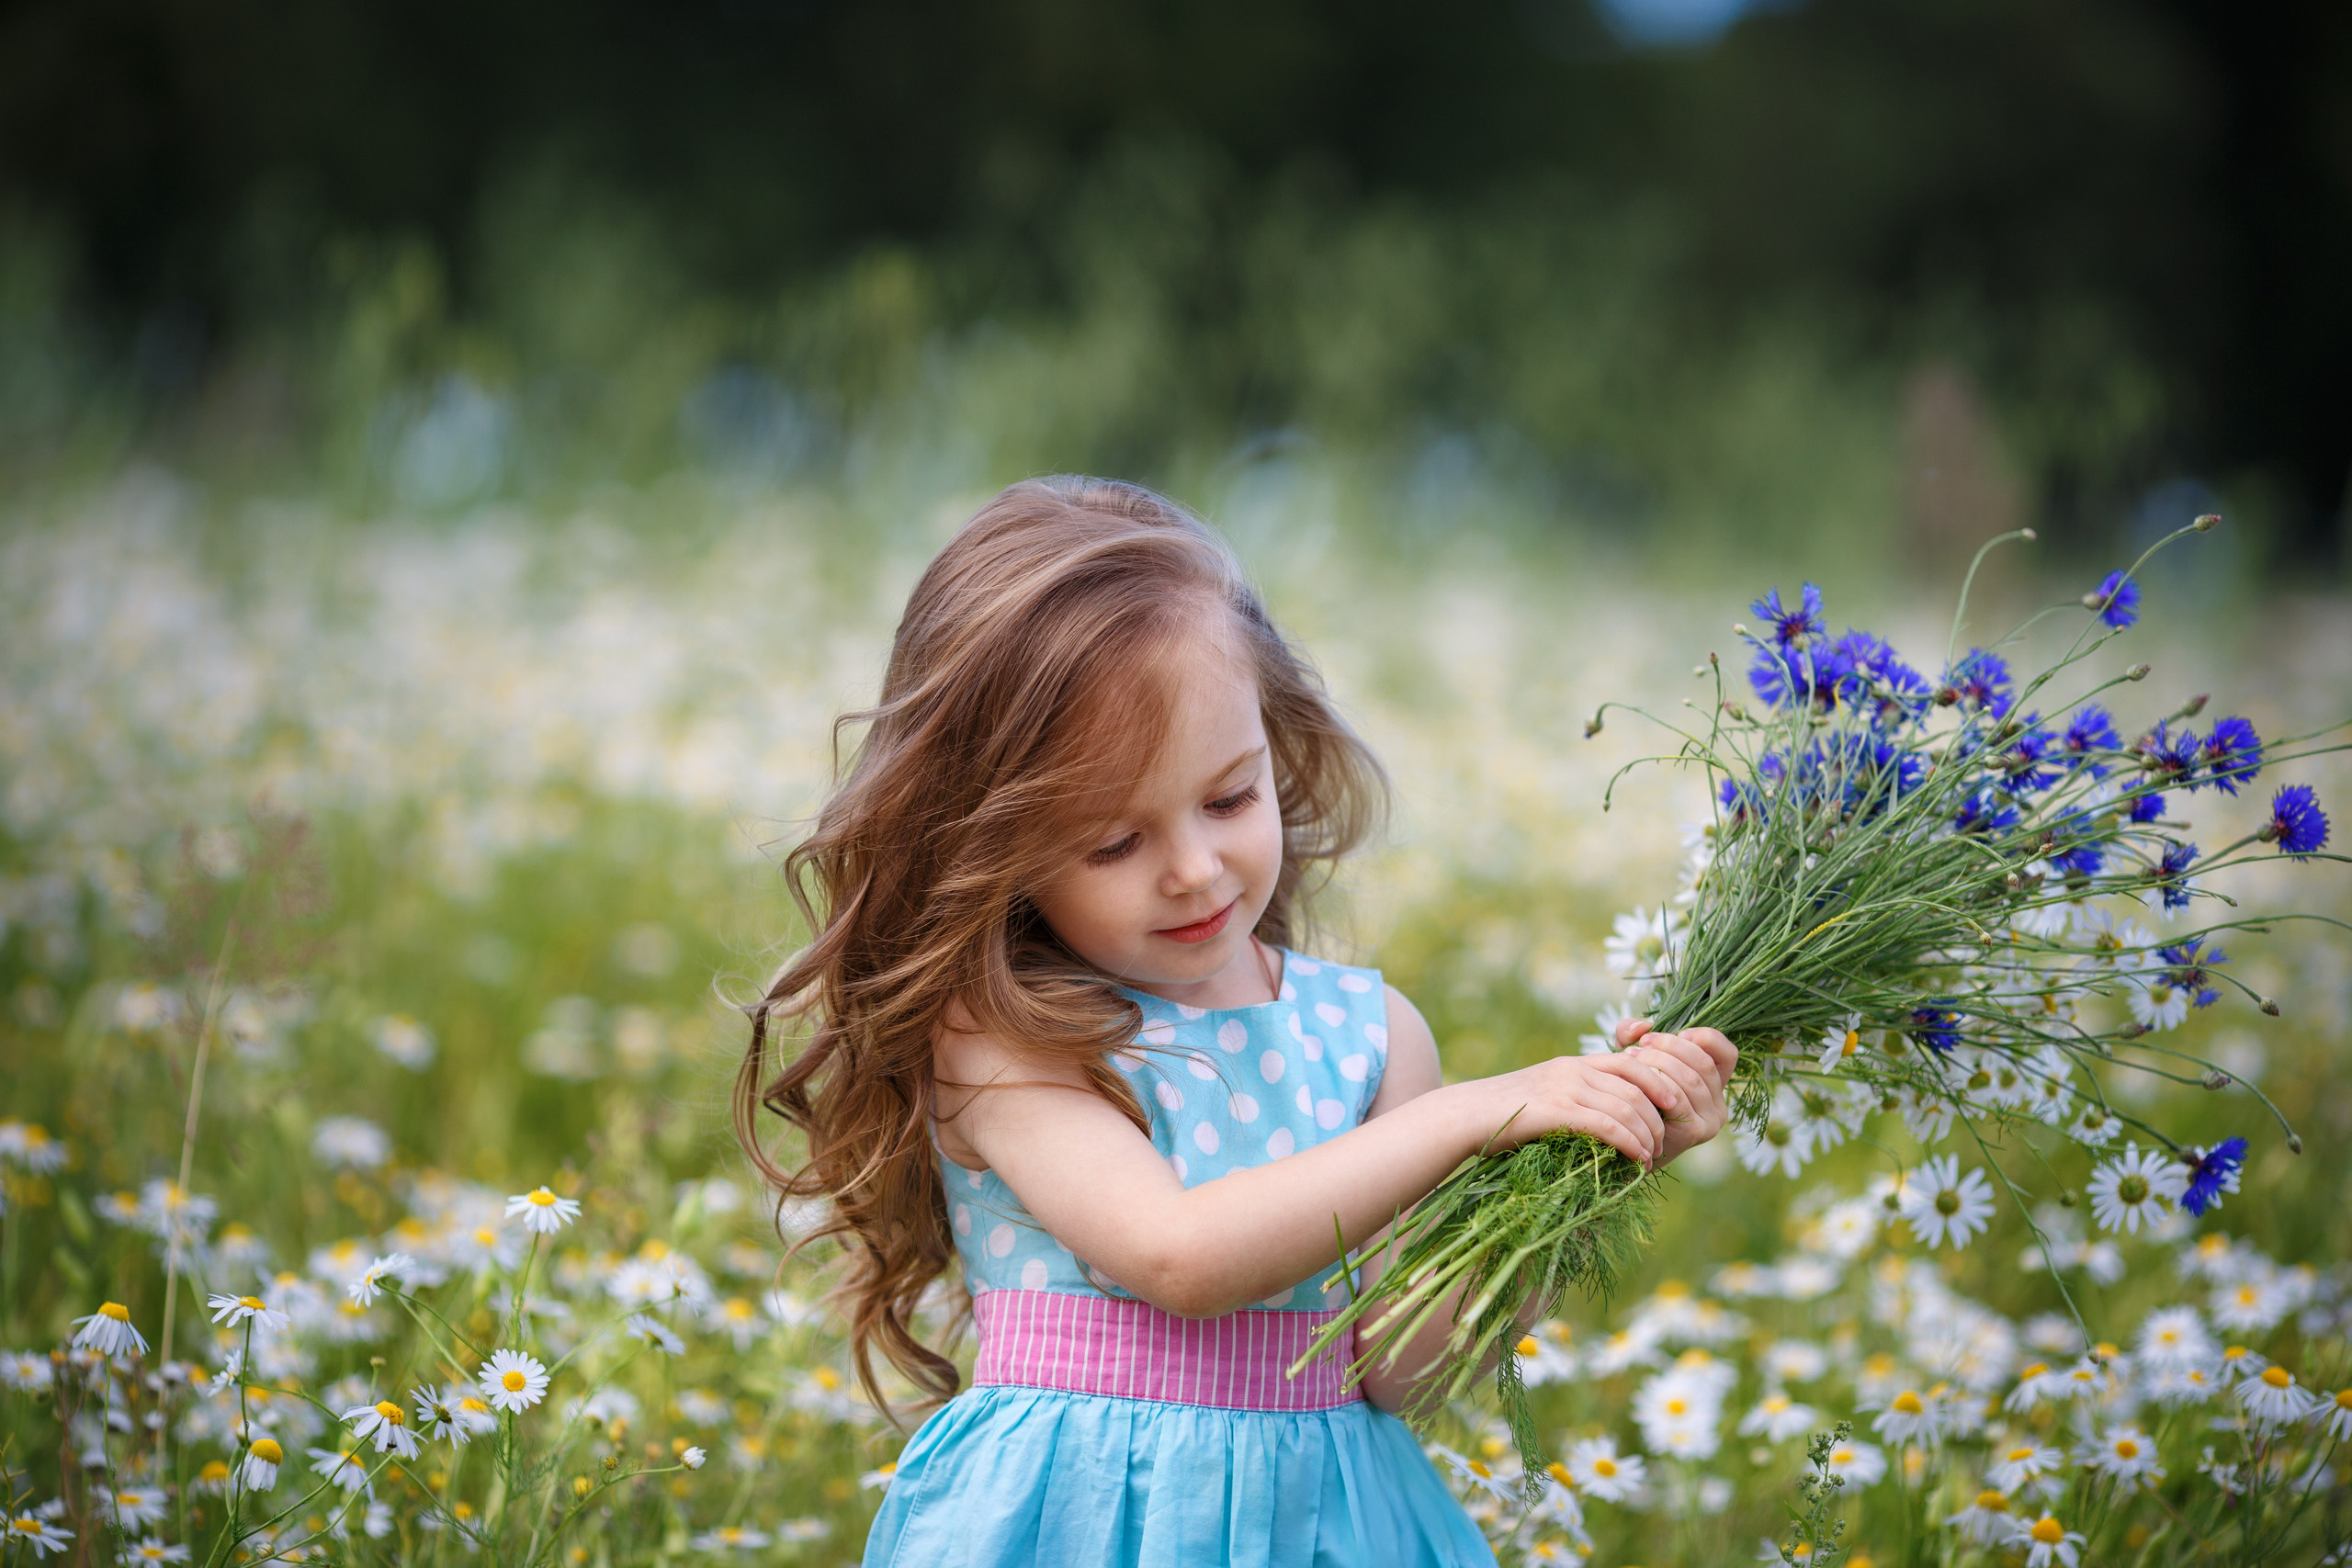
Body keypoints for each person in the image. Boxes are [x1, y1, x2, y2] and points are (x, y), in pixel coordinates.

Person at [735, 476, 1736, 1567]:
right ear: (999, 850)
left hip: (1330, 1525)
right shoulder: (1006, 1034)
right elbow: (1180, 1255)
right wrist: (1472, 1116)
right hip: (1080, 1522)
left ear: (1277, 742)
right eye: (1113, 843)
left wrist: (1589, 1160)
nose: (1195, 870)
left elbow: (1403, 1366)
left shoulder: (1369, 1036)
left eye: (1228, 798)